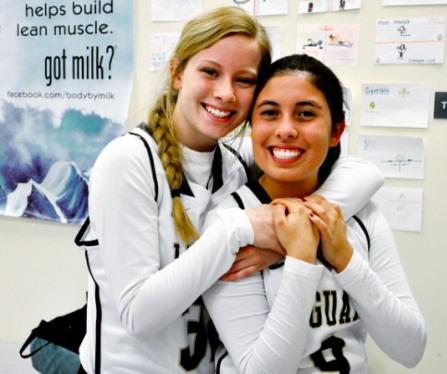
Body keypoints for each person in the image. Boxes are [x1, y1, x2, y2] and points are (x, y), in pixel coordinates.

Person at [75, 7, 384, 374]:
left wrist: (291, 240)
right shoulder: (129, 161)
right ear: (176, 74)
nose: (225, 93)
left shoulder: (235, 166)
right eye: (210, 72)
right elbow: (137, 315)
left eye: (244, 79)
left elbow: (364, 174)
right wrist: (237, 230)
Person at [203, 54, 427, 374]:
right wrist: (300, 257)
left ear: (336, 131)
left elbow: (411, 348)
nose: (286, 129)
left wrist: (346, 260)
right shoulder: (229, 220)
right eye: (269, 113)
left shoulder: (363, 214)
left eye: (305, 114)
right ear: (253, 127)